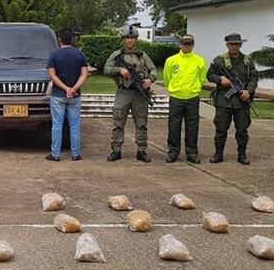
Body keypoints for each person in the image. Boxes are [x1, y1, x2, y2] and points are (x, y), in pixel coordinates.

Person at [104, 25, 157, 163]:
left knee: (141, 123)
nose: (130, 41)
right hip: (123, 92)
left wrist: (149, 80)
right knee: (118, 122)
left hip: (139, 94)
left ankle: (141, 150)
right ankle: (116, 150)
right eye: (127, 38)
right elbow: (106, 69)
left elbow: (153, 71)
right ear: (123, 40)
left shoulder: (143, 56)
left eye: (132, 38)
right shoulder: (117, 55)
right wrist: (120, 70)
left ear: (136, 40)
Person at [207, 33, 258, 165]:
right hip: (224, 100)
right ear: (227, 45)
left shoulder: (247, 61)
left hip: (241, 101)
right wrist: (220, 79)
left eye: (237, 44)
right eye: (232, 44)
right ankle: (218, 154)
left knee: (242, 130)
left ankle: (242, 154)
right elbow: (210, 75)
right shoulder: (219, 60)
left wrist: (248, 91)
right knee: (221, 129)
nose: (234, 47)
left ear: (240, 45)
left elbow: (253, 78)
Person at [46, 28, 89, 162]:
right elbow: (84, 74)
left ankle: (55, 154)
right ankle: (75, 153)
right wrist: (74, 88)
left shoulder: (54, 55)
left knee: (57, 124)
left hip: (58, 94)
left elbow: (52, 75)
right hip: (75, 95)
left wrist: (65, 88)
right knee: (74, 124)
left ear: (59, 40)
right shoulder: (80, 55)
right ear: (72, 40)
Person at [163, 34, 207, 164]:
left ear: (193, 45)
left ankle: (192, 153)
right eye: (184, 43)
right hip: (176, 98)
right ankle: (173, 152)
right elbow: (167, 78)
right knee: (174, 127)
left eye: (189, 44)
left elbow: (201, 78)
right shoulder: (171, 60)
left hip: (192, 98)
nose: (186, 46)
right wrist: (173, 88)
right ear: (180, 44)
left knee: (192, 127)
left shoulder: (199, 60)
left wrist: (196, 88)